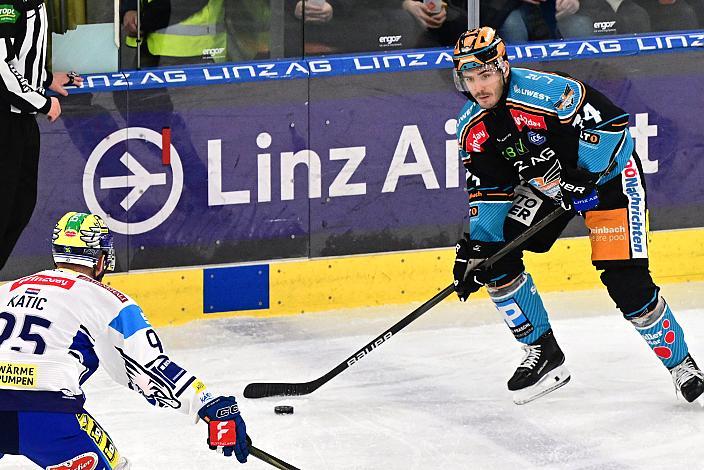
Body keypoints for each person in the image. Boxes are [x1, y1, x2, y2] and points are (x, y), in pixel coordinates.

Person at [451, 26, 704, 405]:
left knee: (626, 282)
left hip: (609, 180)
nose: (478, 87)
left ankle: (682, 365)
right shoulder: (473, 128)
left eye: (485, 75)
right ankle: (543, 354)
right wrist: (478, 252)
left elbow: (614, 129)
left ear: (503, 67)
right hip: (549, 188)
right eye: (469, 78)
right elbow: (489, 196)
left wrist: (584, 178)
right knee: (495, 259)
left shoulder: (549, 92)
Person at [0, 212, 249, 467]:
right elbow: (149, 367)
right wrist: (205, 402)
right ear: (99, 259)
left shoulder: (6, 290)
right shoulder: (109, 300)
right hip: (46, 417)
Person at [0, 0, 83, 272]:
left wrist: (44, 77)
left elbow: (18, 53)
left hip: (20, 121)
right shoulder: (9, 3)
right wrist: (40, 100)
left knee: (19, 205)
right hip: (6, 121)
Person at [121, 0, 226, 67]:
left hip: (195, 53)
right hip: (149, 46)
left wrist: (141, 20)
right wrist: (130, 8)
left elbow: (184, 4)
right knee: (129, 98)